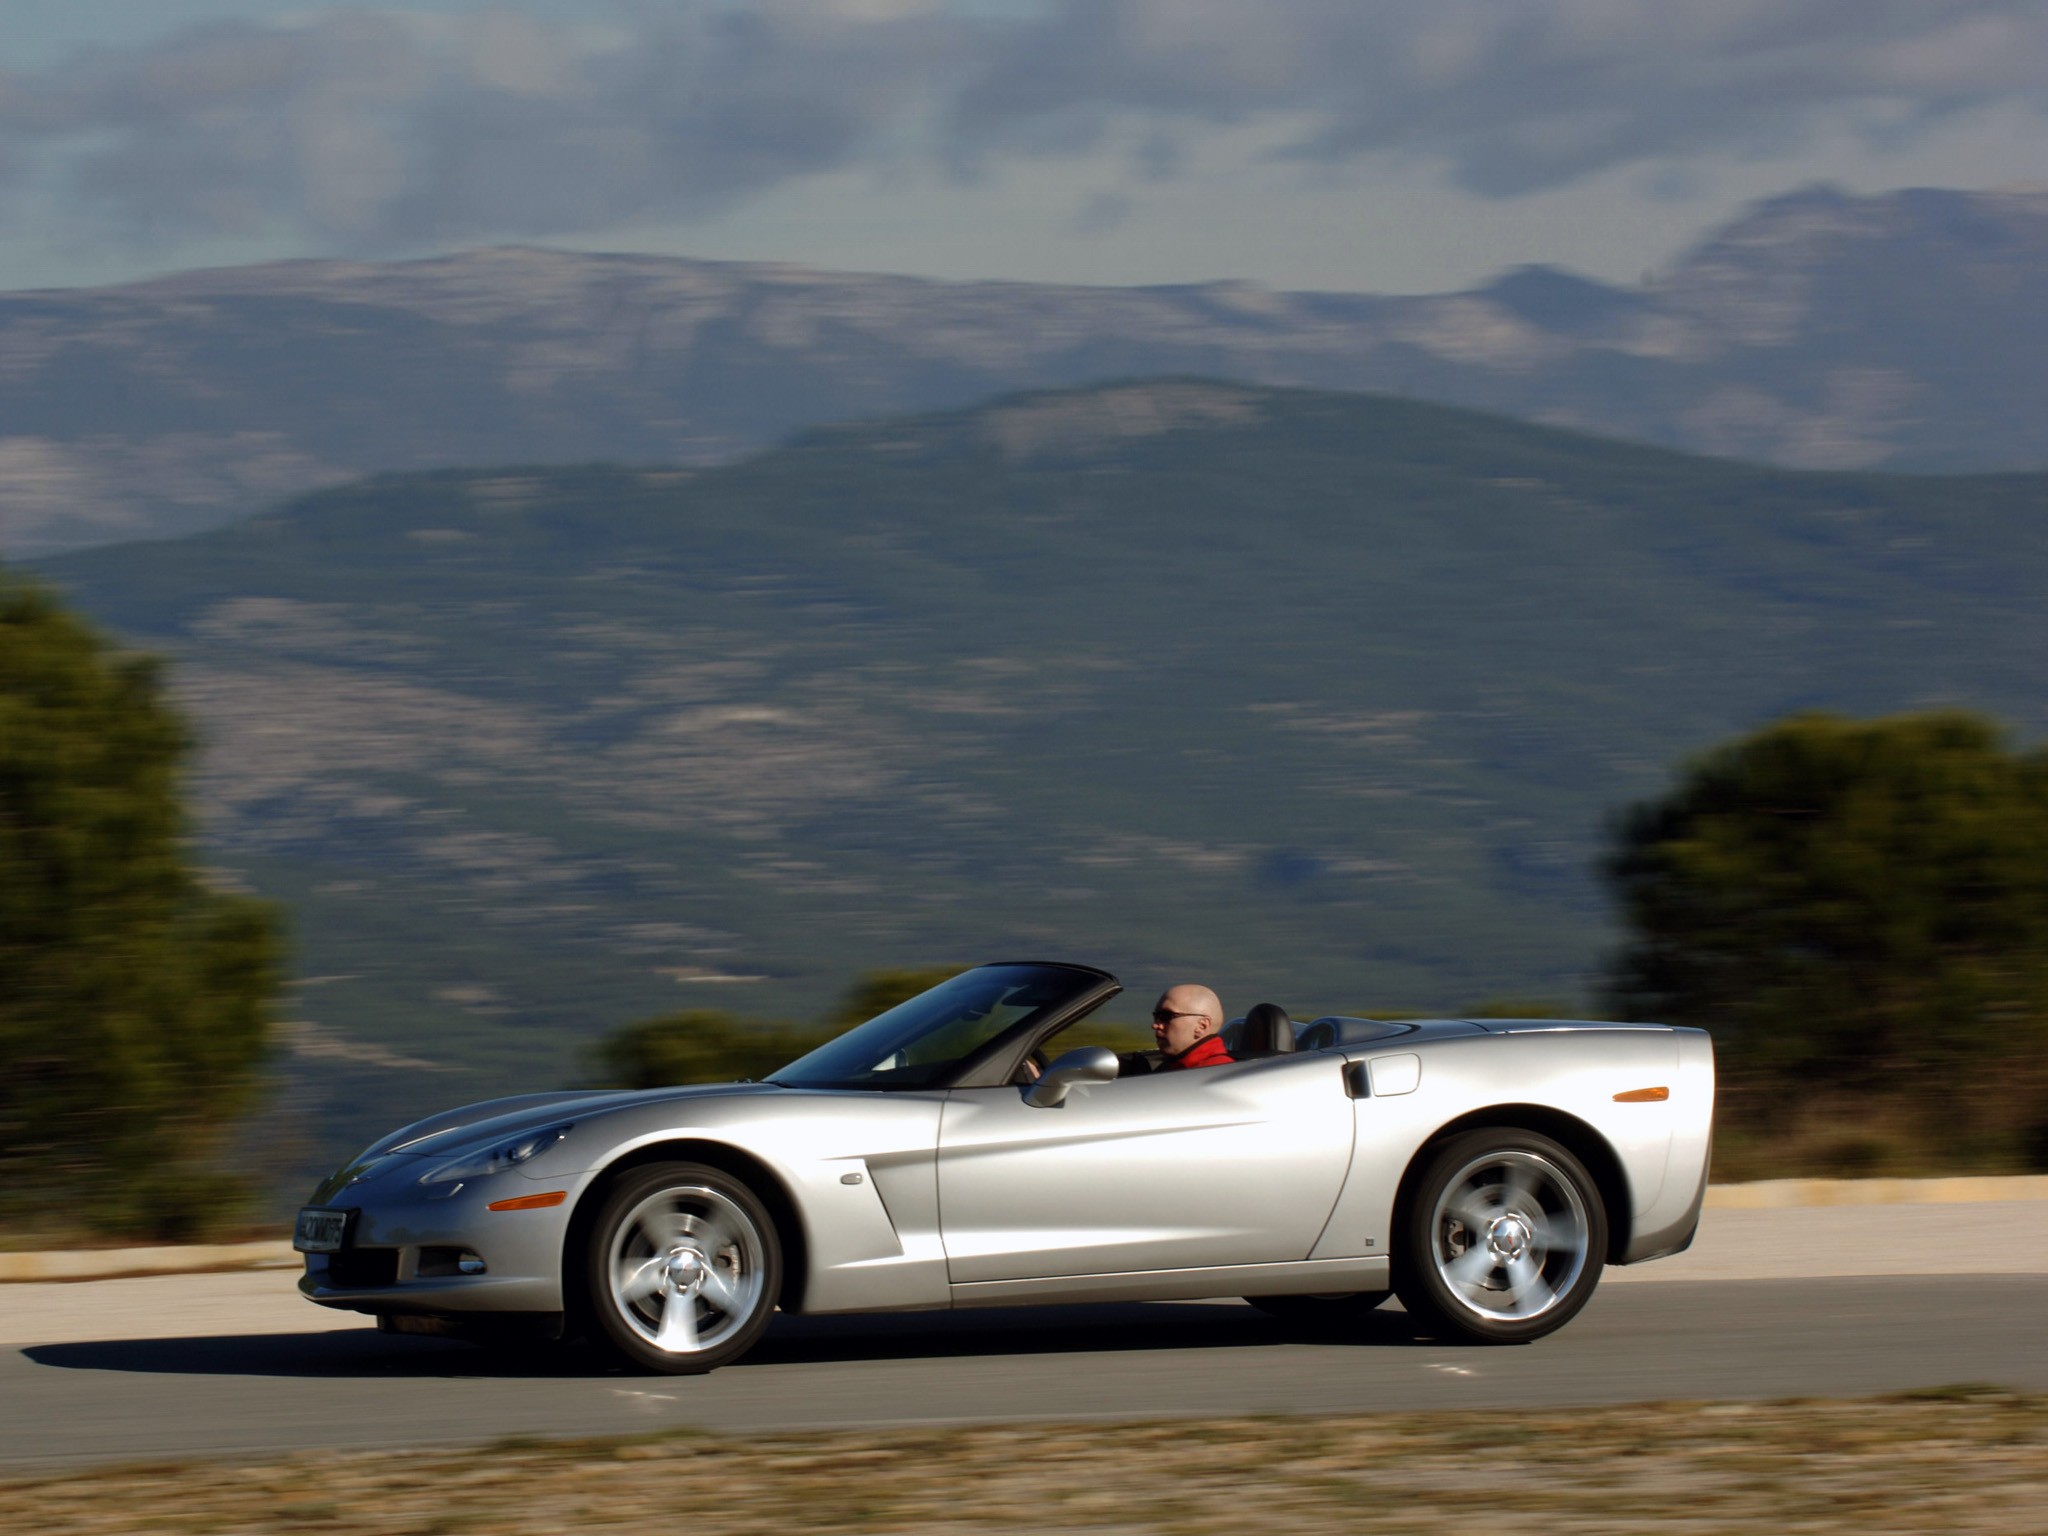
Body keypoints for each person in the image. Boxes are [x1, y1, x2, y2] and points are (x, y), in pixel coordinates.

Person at [1120, 983, 1235, 1075]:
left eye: (1166, 1016)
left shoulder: (1215, 1076)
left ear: (1202, 1026)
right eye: (1156, 1017)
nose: (1155, 1025)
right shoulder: (1177, 1069)